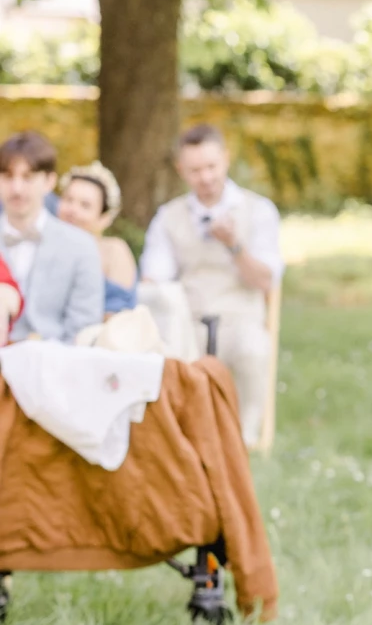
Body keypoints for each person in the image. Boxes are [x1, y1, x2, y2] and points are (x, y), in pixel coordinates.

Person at [140, 124, 283, 444]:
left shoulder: (259, 210)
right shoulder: (168, 217)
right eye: (195, 170)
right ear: (181, 170)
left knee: (253, 349)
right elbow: (154, 280)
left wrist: (235, 246)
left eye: (211, 167)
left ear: (226, 159)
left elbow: (265, 280)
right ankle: (182, 443)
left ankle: (244, 442)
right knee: (160, 352)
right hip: (188, 321)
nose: (205, 178)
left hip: (240, 319)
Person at [0, 131, 104, 342]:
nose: (17, 189)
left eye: (28, 177)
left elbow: (83, 328)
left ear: (49, 181)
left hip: (57, 358)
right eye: (8, 177)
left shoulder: (81, 246)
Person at [57, 161, 139, 315]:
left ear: (104, 218)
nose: (72, 210)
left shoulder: (114, 251)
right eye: (68, 200)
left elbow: (118, 313)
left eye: (85, 205)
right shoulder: (45, 246)